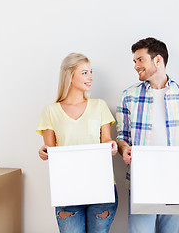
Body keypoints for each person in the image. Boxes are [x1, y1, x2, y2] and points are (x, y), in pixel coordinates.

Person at [116, 37, 179, 233]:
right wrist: (124, 149)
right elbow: (122, 137)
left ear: (157, 60)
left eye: (140, 60)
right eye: (134, 62)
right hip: (142, 181)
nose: (136, 66)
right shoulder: (128, 96)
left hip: (177, 179)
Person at [36, 53, 118, 233]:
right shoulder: (51, 111)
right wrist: (44, 152)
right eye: (85, 72)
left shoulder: (99, 106)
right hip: (67, 189)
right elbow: (50, 150)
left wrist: (112, 145)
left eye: (91, 72)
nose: (91, 77)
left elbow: (106, 140)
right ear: (69, 76)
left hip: (100, 188)